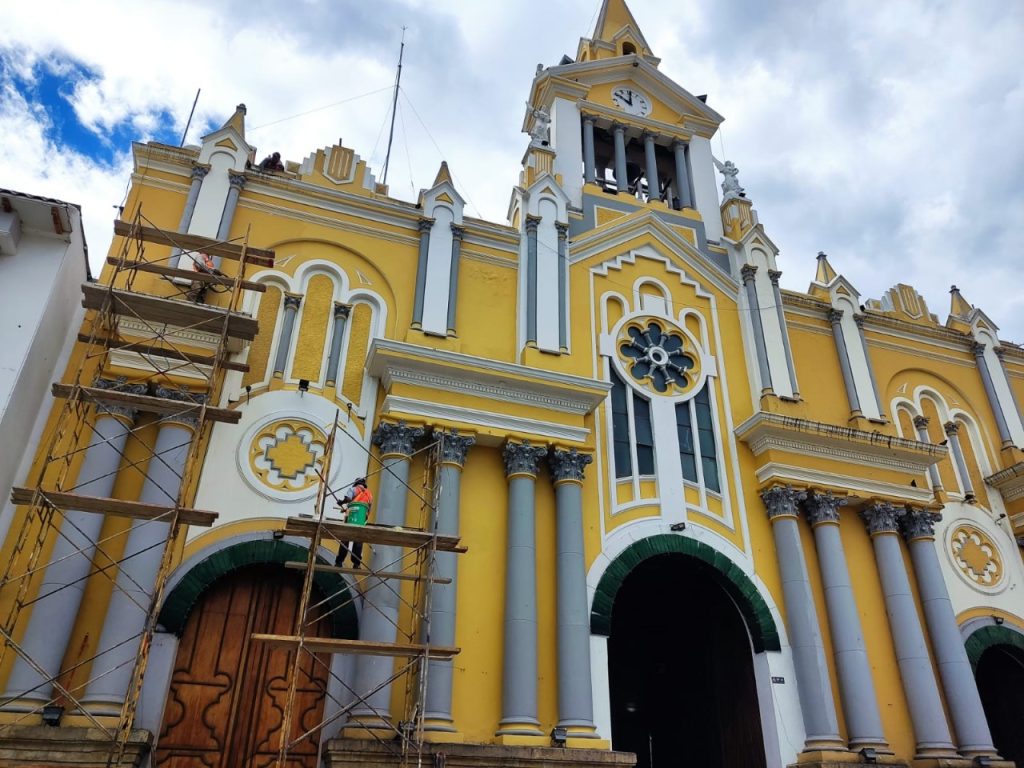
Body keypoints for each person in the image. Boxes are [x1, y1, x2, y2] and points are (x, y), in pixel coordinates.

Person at [335, 478, 372, 568]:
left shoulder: (354, 489)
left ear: (356, 483)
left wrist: (341, 502)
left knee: (345, 540)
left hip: (352, 517)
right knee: (358, 541)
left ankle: (339, 562)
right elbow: (367, 507)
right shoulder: (369, 494)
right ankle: (356, 564)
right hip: (361, 519)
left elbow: (348, 499)